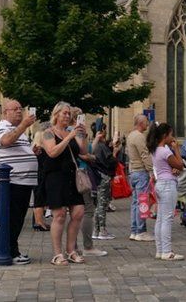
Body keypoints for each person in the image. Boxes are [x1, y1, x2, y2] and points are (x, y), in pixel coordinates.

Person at [0, 100, 39, 265]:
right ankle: (10, 251)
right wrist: (24, 125)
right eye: (15, 109)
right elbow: (5, 141)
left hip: (23, 182)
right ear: (5, 112)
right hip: (13, 182)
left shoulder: (17, 130)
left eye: (21, 108)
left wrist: (31, 152)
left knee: (17, 219)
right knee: (12, 219)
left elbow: (14, 147)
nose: (20, 111)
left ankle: (12, 249)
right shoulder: (2, 127)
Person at [42, 102, 87, 265]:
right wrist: (69, 136)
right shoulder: (47, 133)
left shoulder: (72, 132)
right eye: (65, 113)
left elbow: (83, 152)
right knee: (59, 215)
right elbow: (53, 152)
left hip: (72, 176)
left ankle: (71, 250)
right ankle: (57, 253)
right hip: (55, 177)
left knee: (78, 212)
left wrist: (83, 134)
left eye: (69, 114)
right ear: (56, 115)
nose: (68, 116)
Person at [69, 106, 106, 258]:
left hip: (75, 173)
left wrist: (94, 141)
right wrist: (90, 157)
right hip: (80, 174)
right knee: (87, 210)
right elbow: (83, 154)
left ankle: (73, 246)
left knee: (75, 212)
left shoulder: (69, 131)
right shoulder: (76, 131)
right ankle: (87, 246)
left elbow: (87, 150)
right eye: (80, 116)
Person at [148, 122, 185, 261]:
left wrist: (172, 168)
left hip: (160, 184)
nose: (173, 137)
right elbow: (180, 165)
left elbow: (167, 167)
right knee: (167, 219)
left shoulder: (155, 150)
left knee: (161, 219)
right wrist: (176, 149)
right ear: (165, 135)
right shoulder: (165, 150)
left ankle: (160, 250)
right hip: (168, 185)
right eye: (171, 134)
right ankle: (167, 251)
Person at [126, 114, 154, 242]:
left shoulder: (131, 135)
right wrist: (151, 170)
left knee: (135, 202)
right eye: (146, 122)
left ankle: (134, 230)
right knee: (142, 202)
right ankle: (141, 231)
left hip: (133, 171)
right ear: (141, 123)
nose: (148, 125)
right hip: (141, 171)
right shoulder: (139, 136)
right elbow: (145, 155)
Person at [92, 129, 119, 240]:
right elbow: (111, 161)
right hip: (104, 177)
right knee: (102, 204)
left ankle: (96, 230)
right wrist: (115, 152)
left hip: (98, 176)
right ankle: (102, 230)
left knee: (99, 204)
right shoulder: (101, 147)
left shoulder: (95, 146)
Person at [31, 141, 50, 231]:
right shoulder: (41, 150)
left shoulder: (36, 150)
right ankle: (39, 223)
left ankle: (38, 221)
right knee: (39, 200)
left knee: (38, 199)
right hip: (41, 176)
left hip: (37, 175)